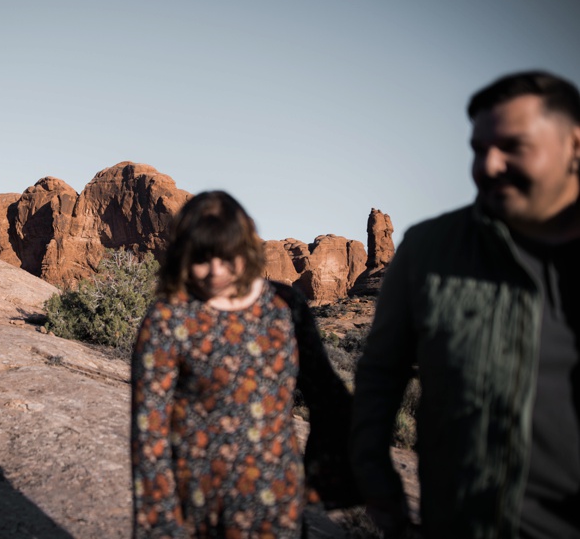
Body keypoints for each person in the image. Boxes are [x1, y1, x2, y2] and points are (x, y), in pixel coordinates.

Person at [351, 70, 580, 538]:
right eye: (478, 149)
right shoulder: (430, 250)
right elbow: (380, 372)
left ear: (574, 145)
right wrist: (373, 475)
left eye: (512, 145)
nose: (488, 165)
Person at [131, 190, 357, 538]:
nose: (215, 272)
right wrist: (158, 523)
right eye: (201, 259)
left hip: (276, 500)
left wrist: (321, 481)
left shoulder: (285, 305)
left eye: (226, 257)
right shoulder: (168, 318)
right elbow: (149, 429)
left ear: (246, 250)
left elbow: (325, 392)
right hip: (200, 504)